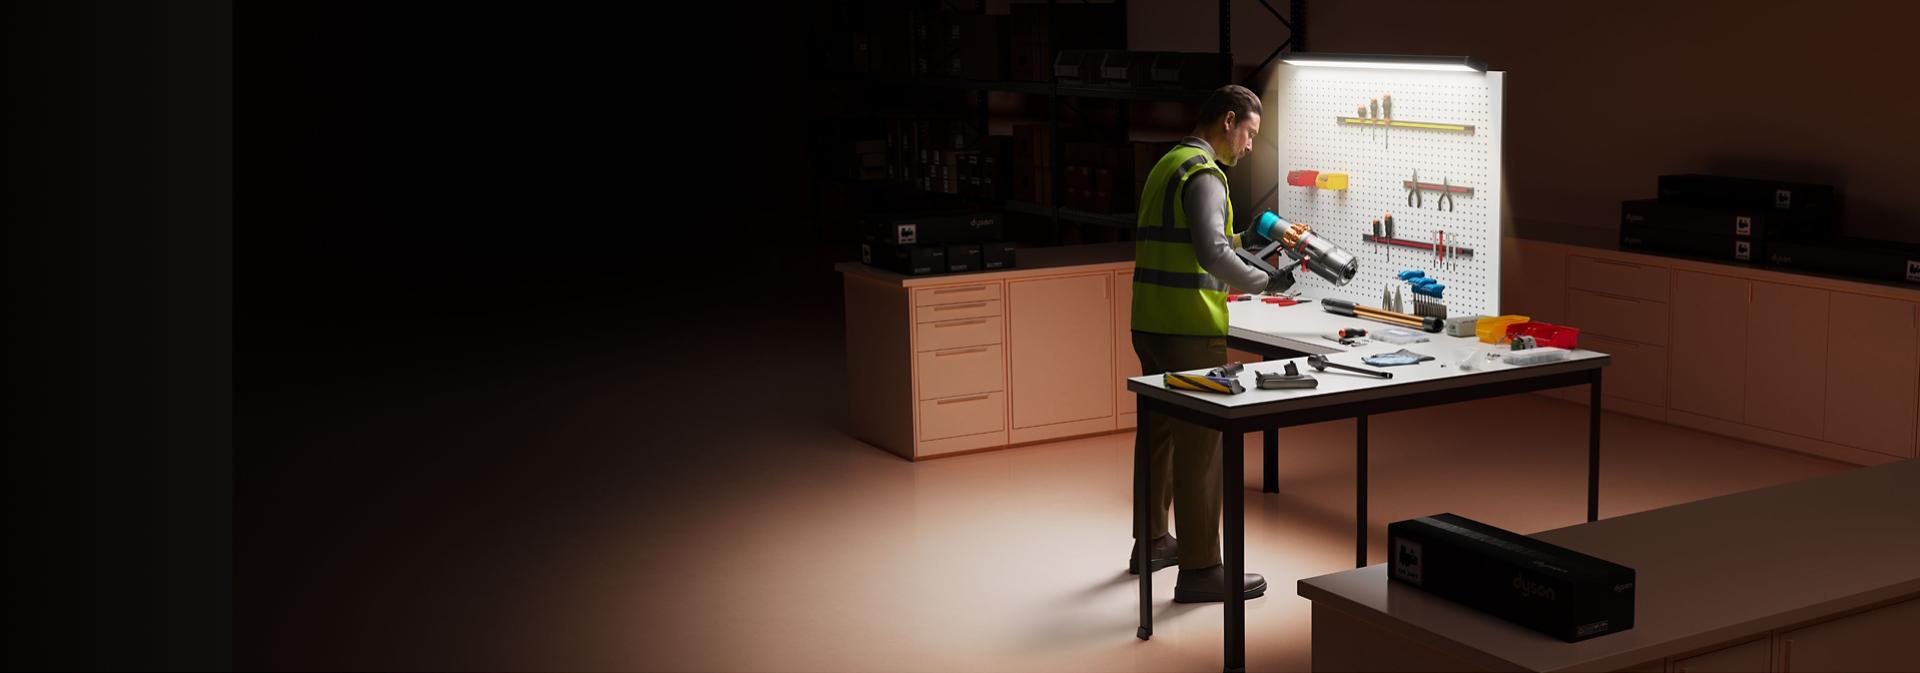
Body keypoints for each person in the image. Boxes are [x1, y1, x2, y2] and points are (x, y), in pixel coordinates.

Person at [1128, 84, 1310, 603]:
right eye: (1250, 132)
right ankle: (1204, 569)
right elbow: (1211, 252)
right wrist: (1267, 282)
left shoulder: (1170, 163)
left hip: (1151, 320)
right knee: (1202, 447)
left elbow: (1199, 241)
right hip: (1190, 327)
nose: (1250, 145)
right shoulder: (1206, 174)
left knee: (1158, 434)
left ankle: (1154, 543)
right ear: (1228, 121)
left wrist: (1251, 244)